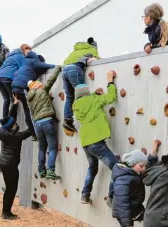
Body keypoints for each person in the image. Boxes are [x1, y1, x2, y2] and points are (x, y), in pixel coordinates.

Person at [72, 71, 118, 205]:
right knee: (116, 167)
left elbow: (88, 103)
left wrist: (94, 95)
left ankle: (85, 195)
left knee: (92, 168)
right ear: (87, 93)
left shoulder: (77, 106)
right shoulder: (94, 100)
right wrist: (110, 81)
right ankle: (112, 198)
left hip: (86, 142)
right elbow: (111, 97)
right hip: (96, 142)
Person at [0, 94, 32, 219]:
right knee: (11, 189)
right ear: (11, 127)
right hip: (11, 166)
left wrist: (15, 104)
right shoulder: (14, 136)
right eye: (14, 124)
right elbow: (29, 132)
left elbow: (11, 119)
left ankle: (6, 211)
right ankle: (6, 213)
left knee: (9, 188)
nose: (16, 124)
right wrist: (36, 121)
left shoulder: (3, 131)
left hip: (5, 163)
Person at [12, 44, 56, 140]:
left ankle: (33, 132)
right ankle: (35, 135)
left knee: (26, 109)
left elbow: (25, 74)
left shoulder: (26, 62)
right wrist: (58, 66)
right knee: (29, 112)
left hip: (15, 86)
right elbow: (47, 66)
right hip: (21, 87)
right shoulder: (35, 61)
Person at [112, 141, 160, 227]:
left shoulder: (133, 171)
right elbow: (122, 204)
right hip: (125, 212)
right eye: (141, 166)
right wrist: (127, 223)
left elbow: (146, 165)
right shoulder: (122, 180)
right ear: (131, 164)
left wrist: (153, 153)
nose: (143, 169)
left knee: (151, 217)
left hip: (134, 208)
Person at [26, 66, 61, 180]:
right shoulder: (42, 89)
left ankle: (41, 170)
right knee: (52, 148)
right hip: (47, 120)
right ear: (37, 85)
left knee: (42, 148)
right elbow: (51, 80)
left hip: (37, 124)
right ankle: (51, 170)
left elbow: (31, 115)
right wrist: (57, 68)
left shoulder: (29, 99)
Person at [61, 38, 99, 133]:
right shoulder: (92, 50)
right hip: (75, 69)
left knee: (70, 97)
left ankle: (68, 120)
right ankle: (87, 119)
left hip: (64, 71)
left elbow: (64, 63)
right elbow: (95, 59)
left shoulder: (73, 52)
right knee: (82, 96)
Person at [0, 48, 25, 119]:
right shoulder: (20, 56)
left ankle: (5, 119)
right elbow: (23, 68)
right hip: (7, 78)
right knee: (14, 99)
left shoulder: (9, 57)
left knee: (6, 99)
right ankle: (12, 121)